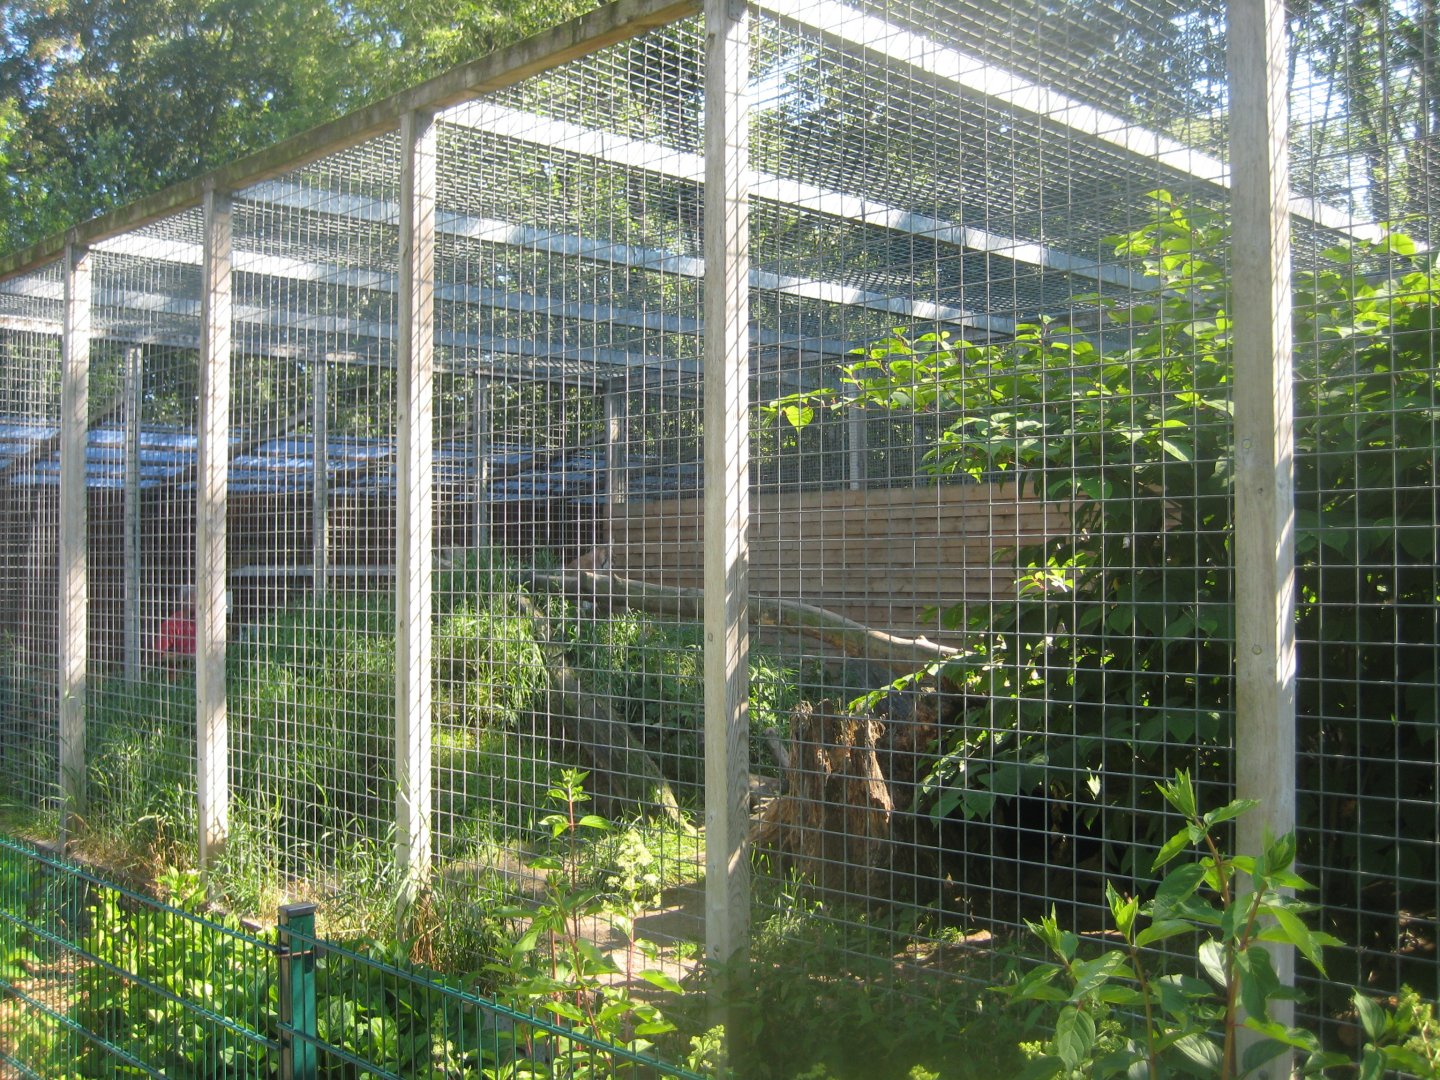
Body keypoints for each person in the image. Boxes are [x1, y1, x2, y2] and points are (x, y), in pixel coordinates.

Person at [154, 588, 197, 666]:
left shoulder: (205, 621)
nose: (199, 602)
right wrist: (188, 658)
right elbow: (158, 655)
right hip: (181, 671)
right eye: (195, 599)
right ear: (184, 601)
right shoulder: (172, 624)